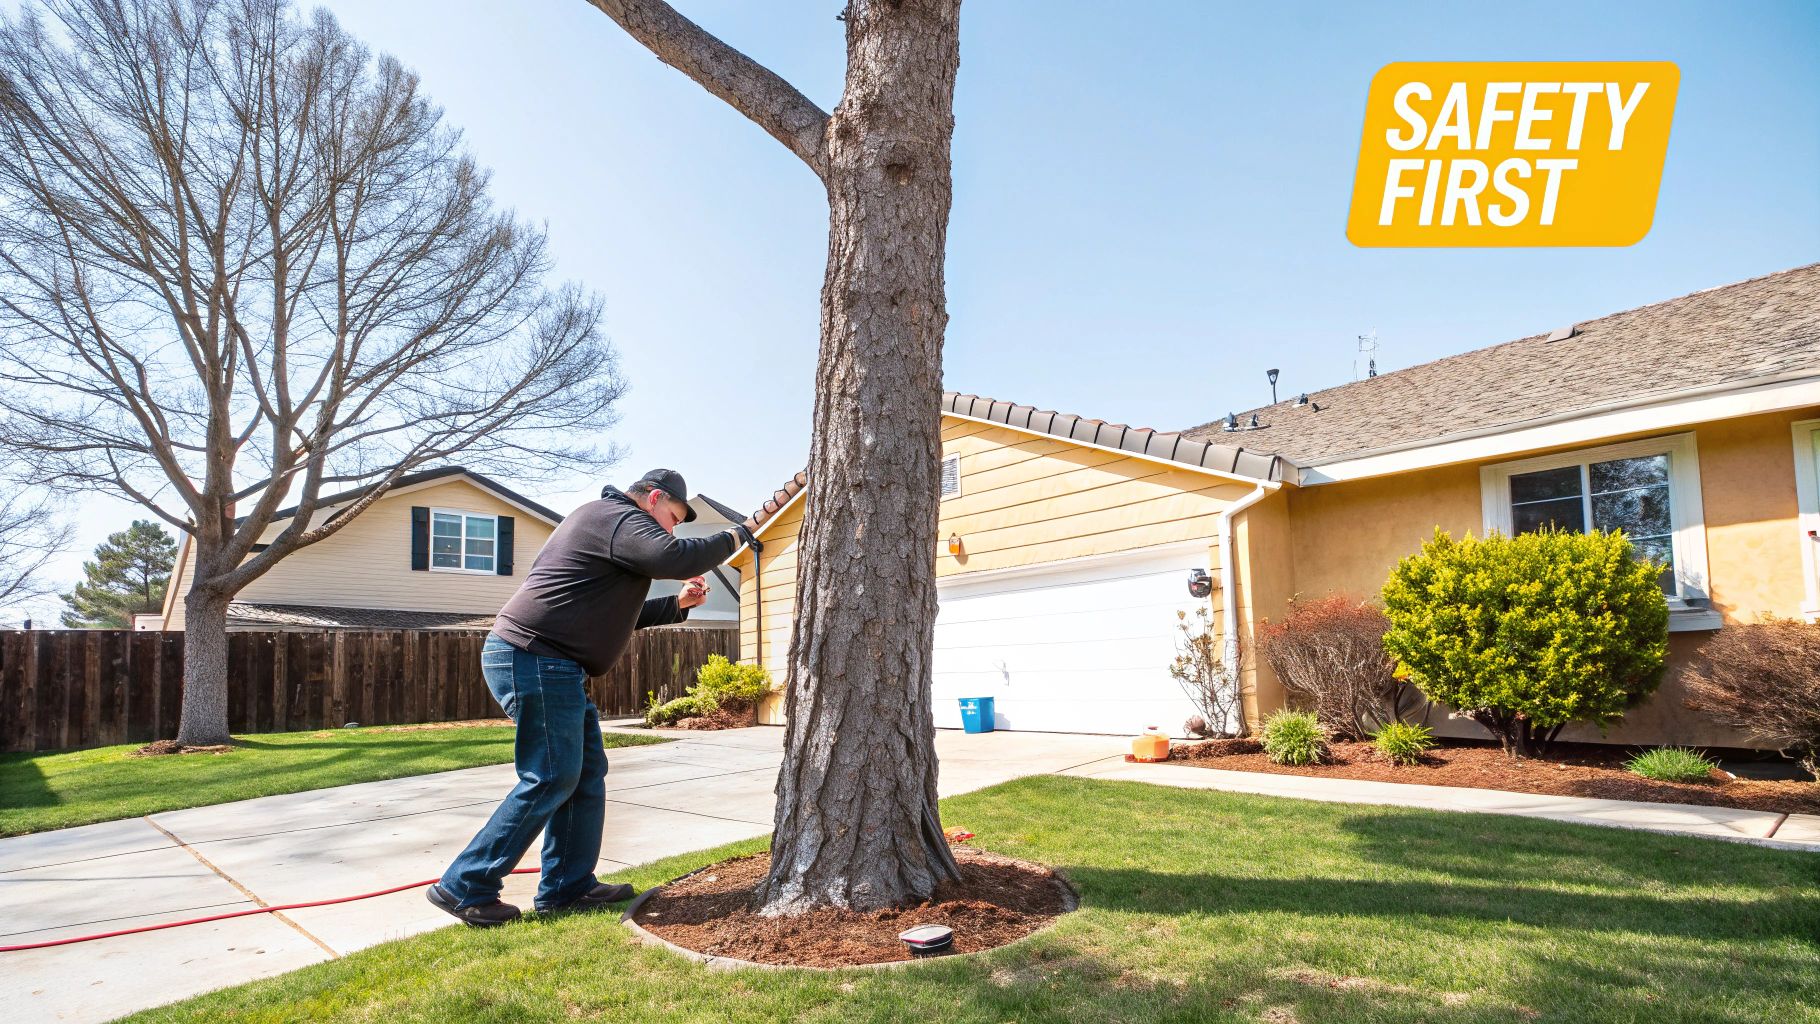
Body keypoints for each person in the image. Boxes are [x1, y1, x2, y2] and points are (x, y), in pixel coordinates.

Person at [427, 469, 751, 926]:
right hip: (533, 656)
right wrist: (740, 531)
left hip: (548, 661)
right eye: (673, 518)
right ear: (653, 499)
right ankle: (465, 885)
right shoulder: (613, 516)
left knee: (583, 773)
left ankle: (567, 887)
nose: (672, 529)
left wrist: (677, 605)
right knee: (551, 775)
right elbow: (673, 555)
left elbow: (614, 616)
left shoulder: (610, 529)